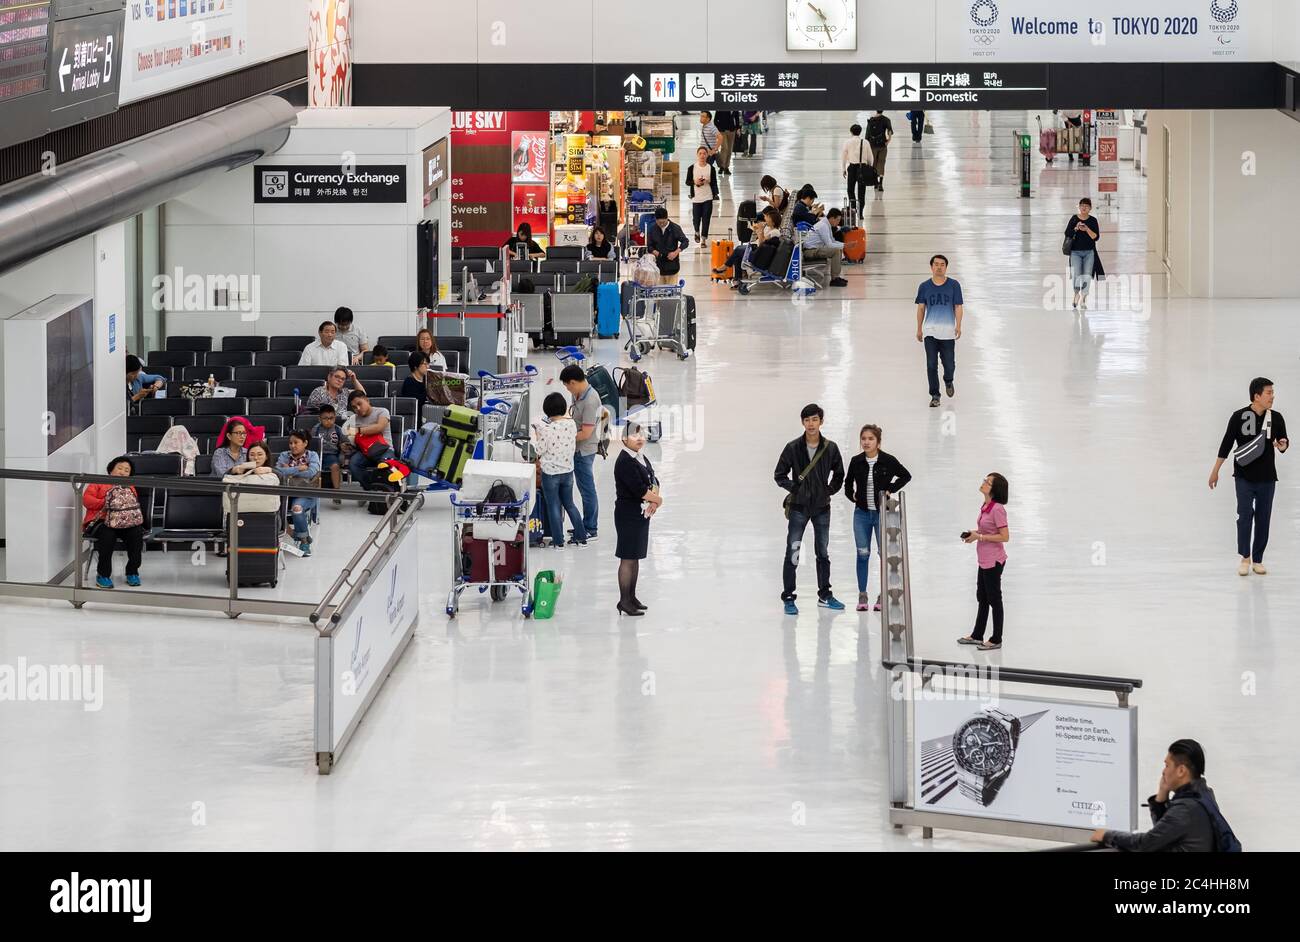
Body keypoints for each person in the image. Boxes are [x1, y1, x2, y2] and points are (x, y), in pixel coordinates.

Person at [1091, 740, 1240, 852]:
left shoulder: (1186, 809)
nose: (1163, 771)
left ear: (1181, 771)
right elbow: (1164, 833)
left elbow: (1146, 843)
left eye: (1167, 765)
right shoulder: (1203, 795)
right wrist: (1161, 796)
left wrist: (1106, 835)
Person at [1210, 377, 1289, 575]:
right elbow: (1227, 444)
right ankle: (1245, 557)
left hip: (1267, 478)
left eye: (1272, 392)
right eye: (1269, 392)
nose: (1272, 396)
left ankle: (1258, 559)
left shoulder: (1276, 418)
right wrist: (1215, 470)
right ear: (1257, 396)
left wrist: (1283, 445)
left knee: (1263, 518)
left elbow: (1284, 441)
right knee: (1244, 516)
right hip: (1244, 477)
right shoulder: (1238, 417)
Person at [774, 404, 846, 614]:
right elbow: (779, 474)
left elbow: (839, 473)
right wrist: (795, 488)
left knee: (822, 552)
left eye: (815, 419)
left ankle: (825, 594)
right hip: (798, 508)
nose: (811, 424)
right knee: (793, 551)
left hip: (822, 507)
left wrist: (829, 490)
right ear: (802, 422)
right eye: (807, 420)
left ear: (821, 421)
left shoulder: (830, 448)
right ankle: (788, 597)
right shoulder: (793, 447)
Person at [843, 424, 912, 612]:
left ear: (878, 442)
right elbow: (847, 483)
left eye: (870, 439)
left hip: (883, 514)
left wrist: (891, 489)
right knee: (862, 554)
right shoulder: (856, 461)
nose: (866, 442)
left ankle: (883, 593)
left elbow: (906, 476)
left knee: (884, 555)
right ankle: (862, 594)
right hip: (862, 514)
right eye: (863, 439)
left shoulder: (888, 461)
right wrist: (853, 496)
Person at [957, 472, 1010, 651]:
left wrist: (979, 536)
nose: (983, 483)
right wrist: (973, 535)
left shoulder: (997, 509)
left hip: (994, 561)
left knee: (994, 599)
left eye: (987, 482)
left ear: (994, 489)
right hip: (984, 560)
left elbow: (1005, 537)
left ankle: (996, 638)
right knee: (982, 597)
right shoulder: (986, 506)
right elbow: (984, 530)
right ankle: (977, 635)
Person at [614, 422, 662, 616]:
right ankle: (624, 600)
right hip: (628, 514)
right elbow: (639, 489)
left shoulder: (640, 457)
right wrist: (658, 500)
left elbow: (653, 480)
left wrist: (654, 502)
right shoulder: (625, 460)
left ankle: (632, 597)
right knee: (627, 558)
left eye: (641, 435)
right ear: (624, 439)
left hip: (641, 513)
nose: (639, 438)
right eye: (634, 436)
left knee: (635, 558)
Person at [531, 392, 587, 548]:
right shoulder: (571, 425)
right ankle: (581, 538)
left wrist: (537, 435)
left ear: (547, 411)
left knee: (554, 506)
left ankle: (558, 541)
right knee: (569, 504)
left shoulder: (545, 429)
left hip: (550, 474)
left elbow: (540, 450)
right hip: (568, 471)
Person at [83, 456, 146, 589]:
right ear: (111, 469)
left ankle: (132, 572)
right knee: (107, 535)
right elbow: (87, 500)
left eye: (126, 470)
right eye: (120, 468)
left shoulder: (130, 486)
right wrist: (106, 503)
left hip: (124, 521)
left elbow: (132, 505)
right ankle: (103, 575)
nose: (122, 472)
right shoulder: (98, 482)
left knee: (136, 533)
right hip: (101, 520)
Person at [915, 254, 964, 407]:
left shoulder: (954, 285)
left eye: (942, 264)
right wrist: (919, 329)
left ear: (946, 267)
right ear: (931, 267)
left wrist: (958, 325)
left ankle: (948, 380)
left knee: (949, 364)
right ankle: (935, 395)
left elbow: (958, 306)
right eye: (936, 264)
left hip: (948, 332)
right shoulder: (924, 286)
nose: (939, 267)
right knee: (931, 364)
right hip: (930, 331)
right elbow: (921, 308)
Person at [560, 363, 602, 541]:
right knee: (584, 488)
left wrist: (562, 437)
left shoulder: (591, 400)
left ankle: (591, 529)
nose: (568, 389)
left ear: (574, 382)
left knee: (587, 489)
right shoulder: (578, 395)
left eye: (567, 385)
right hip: (576, 448)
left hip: (584, 451)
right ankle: (585, 524)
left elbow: (585, 433)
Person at [277, 430, 322, 557]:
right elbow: (278, 472)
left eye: (296, 442)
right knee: (272, 506)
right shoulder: (284, 455)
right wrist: (299, 468)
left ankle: (304, 542)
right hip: (285, 493)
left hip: (305, 492)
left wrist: (289, 470)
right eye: (290, 443)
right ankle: (294, 534)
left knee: (297, 508)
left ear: (305, 443)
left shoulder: (312, 455)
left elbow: (311, 472)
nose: (292, 446)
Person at [713, 207, 781, 288]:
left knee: (738, 250)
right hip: (757, 250)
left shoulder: (775, 232)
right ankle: (737, 279)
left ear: (773, 221)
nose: (765, 218)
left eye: (768, 217)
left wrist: (761, 230)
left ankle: (725, 268)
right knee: (737, 254)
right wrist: (759, 230)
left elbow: (761, 243)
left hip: (758, 253)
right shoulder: (770, 228)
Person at [345, 390, 393, 484]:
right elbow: (353, 438)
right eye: (354, 407)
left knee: (385, 466)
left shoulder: (382, 411)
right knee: (353, 464)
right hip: (365, 452)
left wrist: (358, 430)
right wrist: (347, 443)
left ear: (367, 400)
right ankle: (370, 487)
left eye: (359, 404)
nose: (358, 408)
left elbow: (379, 427)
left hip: (384, 450)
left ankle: (387, 489)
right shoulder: (354, 418)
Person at [1065, 197, 1100, 310]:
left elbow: (1096, 237)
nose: (1084, 208)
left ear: (1090, 208)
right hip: (1075, 252)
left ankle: (1084, 298)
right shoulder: (1074, 218)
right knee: (1076, 274)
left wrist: (1087, 229)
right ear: (1079, 207)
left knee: (1087, 275)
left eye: (1086, 206)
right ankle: (1076, 294)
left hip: (1089, 253)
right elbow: (1067, 233)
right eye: (1082, 206)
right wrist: (1076, 228)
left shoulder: (1093, 220)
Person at [801, 205, 849, 288]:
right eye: (837, 220)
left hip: (814, 249)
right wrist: (845, 246)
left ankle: (836, 277)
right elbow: (829, 244)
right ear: (832, 218)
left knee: (838, 249)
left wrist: (845, 245)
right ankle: (834, 280)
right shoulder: (823, 226)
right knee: (836, 251)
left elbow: (832, 241)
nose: (838, 223)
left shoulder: (826, 224)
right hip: (810, 251)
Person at [645, 207, 689, 286]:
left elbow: (685, 242)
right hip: (658, 267)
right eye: (659, 222)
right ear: (656, 220)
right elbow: (649, 245)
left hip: (672, 266)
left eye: (663, 222)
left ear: (667, 218)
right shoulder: (652, 229)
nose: (661, 224)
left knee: (671, 292)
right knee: (659, 293)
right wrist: (654, 252)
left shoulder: (675, 228)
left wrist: (676, 252)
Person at [685, 146, 719, 244]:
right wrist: (695, 182)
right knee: (696, 219)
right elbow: (687, 182)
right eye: (700, 153)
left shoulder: (711, 168)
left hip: (707, 197)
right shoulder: (692, 168)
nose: (702, 155)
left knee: (706, 218)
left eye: (704, 153)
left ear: (707, 155)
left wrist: (708, 181)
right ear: (697, 155)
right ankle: (696, 232)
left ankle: (703, 239)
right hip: (696, 198)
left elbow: (714, 182)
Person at [313, 404, 345, 499]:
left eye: (331, 418)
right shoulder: (316, 429)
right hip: (317, 455)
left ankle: (336, 493)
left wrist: (343, 446)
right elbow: (311, 443)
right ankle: (312, 493)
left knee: (335, 466)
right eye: (325, 418)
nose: (329, 421)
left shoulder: (338, 429)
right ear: (319, 419)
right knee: (313, 467)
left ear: (335, 417)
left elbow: (345, 442)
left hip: (331, 455)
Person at [841, 123, 874, 212]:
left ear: (851, 132)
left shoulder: (847, 142)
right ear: (860, 132)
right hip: (862, 168)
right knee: (862, 192)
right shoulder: (865, 142)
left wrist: (843, 169)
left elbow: (844, 156)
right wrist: (869, 168)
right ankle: (861, 212)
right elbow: (870, 157)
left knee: (850, 189)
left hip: (852, 168)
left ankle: (853, 208)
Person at [867, 111, 893, 190]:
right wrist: (888, 141)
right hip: (882, 144)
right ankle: (880, 184)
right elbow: (890, 131)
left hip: (872, 145)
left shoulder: (871, 120)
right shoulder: (886, 119)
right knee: (881, 163)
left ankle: (875, 182)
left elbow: (867, 134)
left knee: (874, 163)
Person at [714, 109, 737, 175]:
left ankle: (726, 167)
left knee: (729, 150)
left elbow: (737, 118)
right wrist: (719, 128)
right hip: (722, 131)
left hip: (732, 131)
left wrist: (738, 128)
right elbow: (715, 120)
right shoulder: (721, 107)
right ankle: (722, 166)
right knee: (725, 148)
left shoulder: (735, 107)